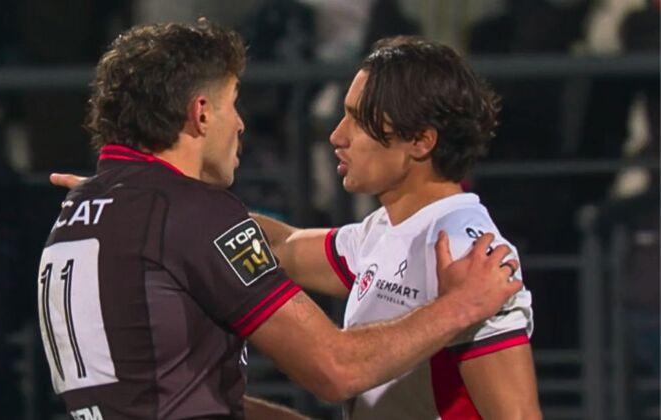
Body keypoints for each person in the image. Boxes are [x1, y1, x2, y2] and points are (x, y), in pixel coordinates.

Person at [42, 20, 521, 419]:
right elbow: (336, 368)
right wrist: (462, 304)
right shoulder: (185, 215)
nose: (242, 123)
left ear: (422, 141)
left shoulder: (81, 219)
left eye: (356, 118)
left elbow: (279, 246)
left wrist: (142, 199)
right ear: (202, 113)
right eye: (234, 104)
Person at [250, 36, 541, 419]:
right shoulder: (384, 229)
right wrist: (187, 209)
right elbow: (282, 245)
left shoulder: (467, 253)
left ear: (420, 141)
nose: (338, 136)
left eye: (358, 121)